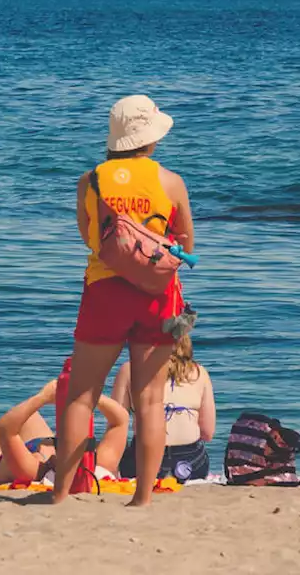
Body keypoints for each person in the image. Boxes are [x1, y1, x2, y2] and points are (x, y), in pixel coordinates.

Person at [53, 95, 194, 507]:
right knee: (150, 399)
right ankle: (142, 499)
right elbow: (185, 244)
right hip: (158, 296)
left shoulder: (91, 180)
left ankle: (61, 494)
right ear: (149, 139)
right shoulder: (170, 181)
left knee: (82, 395)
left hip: (105, 292)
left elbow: (90, 239)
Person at [0, 379, 129, 485]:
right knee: (29, 417)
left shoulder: (34, 469)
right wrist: (88, 395)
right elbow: (121, 419)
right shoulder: (100, 462)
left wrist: (43, 397)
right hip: (40, 445)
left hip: (4, 464)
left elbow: (4, 428)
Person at [110, 333, 216, 481]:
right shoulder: (200, 373)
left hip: (143, 460)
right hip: (190, 463)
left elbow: (116, 426)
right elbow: (207, 432)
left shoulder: (130, 370)